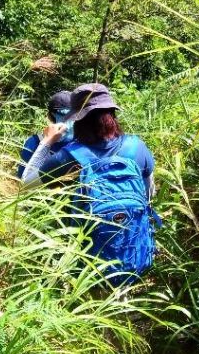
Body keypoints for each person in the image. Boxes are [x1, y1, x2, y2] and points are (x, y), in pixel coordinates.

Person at [20, 83, 158, 284]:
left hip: (88, 264)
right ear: (112, 113)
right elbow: (148, 195)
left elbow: (25, 184)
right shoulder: (136, 146)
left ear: (77, 119)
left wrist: (47, 141)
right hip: (134, 253)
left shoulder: (70, 155)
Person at [17, 90, 73, 179]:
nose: (70, 122)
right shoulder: (35, 142)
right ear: (52, 115)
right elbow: (22, 179)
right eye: (64, 115)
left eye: (74, 116)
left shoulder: (83, 142)